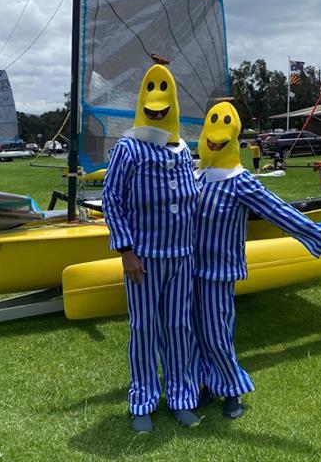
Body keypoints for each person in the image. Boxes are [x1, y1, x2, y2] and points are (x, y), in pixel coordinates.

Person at [193, 100, 321, 419]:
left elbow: (279, 212)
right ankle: (205, 383)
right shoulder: (196, 176)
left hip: (219, 272)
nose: (214, 140)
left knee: (216, 333)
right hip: (188, 271)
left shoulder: (241, 181)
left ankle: (231, 389)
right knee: (194, 333)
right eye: (211, 132)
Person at [101, 56, 201, 434]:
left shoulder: (181, 152)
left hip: (182, 259)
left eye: (165, 94)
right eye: (151, 92)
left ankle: (181, 397)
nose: (157, 105)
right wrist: (125, 250)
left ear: (174, 103)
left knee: (178, 327)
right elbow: (112, 199)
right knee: (143, 328)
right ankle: (142, 399)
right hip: (143, 261)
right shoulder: (128, 150)